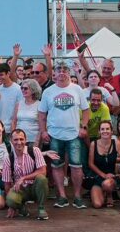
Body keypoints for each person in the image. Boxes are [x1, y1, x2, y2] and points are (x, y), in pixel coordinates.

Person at [37, 63, 90, 208]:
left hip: (74, 135)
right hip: (55, 135)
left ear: (69, 72)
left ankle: (78, 197)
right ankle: (62, 196)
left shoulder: (77, 89)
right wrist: (43, 131)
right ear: (54, 73)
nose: (62, 72)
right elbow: (41, 114)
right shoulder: (48, 91)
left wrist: (83, 126)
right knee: (56, 166)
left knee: (76, 166)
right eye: (58, 70)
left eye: (65, 70)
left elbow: (86, 110)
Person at [4, 128, 50, 220]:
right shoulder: (8, 158)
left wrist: (23, 178)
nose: (19, 142)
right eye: (16, 139)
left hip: (34, 187)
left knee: (41, 178)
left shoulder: (34, 150)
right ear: (11, 141)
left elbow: (43, 171)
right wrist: (11, 205)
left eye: (21, 139)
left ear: (25, 140)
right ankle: (21, 208)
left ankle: (41, 208)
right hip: (21, 190)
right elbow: (7, 183)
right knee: (10, 199)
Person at [85, 121, 120, 209]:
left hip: (111, 177)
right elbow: (90, 164)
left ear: (111, 131)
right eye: (102, 129)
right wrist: (103, 175)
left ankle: (110, 195)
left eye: (107, 129)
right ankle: (101, 192)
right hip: (97, 177)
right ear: (99, 132)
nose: (105, 131)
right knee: (97, 204)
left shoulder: (116, 143)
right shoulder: (93, 144)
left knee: (107, 184)